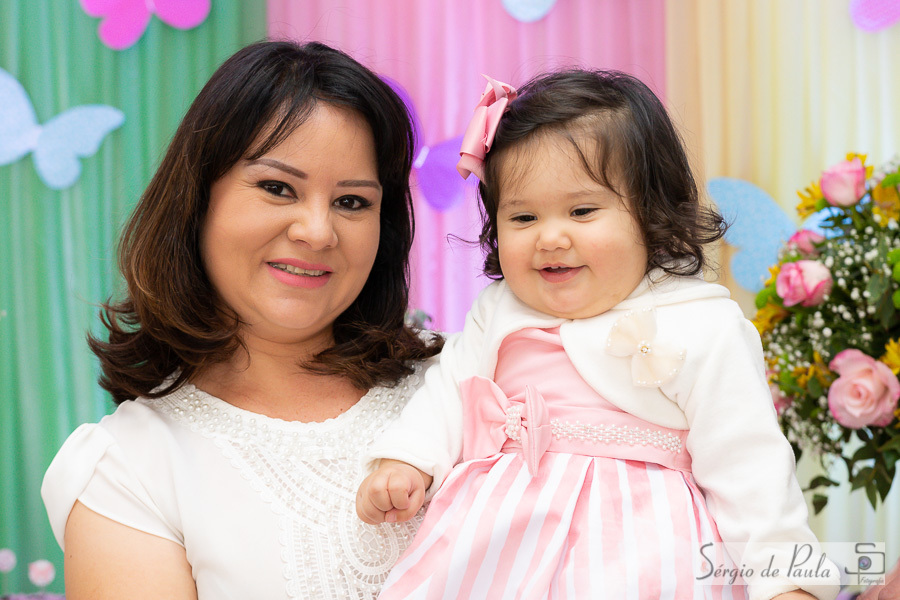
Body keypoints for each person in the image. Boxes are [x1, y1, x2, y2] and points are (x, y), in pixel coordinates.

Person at [356, 70, 841, 599]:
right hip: (498, 544)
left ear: (653, 214)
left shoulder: (701, 321)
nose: (550, 237)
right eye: (522, 217)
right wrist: (405, 458)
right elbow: (448, 393)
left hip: (645, 549)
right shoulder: (500, 309)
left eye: (582, 211)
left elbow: (750, 464)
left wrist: (787, 581)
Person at [41, 40, 442, 600]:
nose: (317, 232)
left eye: (352, 202)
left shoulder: (464, 382)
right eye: (278, 188)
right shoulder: (129, 468)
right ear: (197, 201)